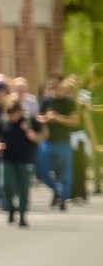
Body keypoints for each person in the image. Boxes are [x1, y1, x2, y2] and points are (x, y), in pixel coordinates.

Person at [0, 96, 43, 226]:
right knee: (5, 184)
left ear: (19, 111)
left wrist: (34, 136)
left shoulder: (28, 119)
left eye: (13, 113)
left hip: (25, 159)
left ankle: (22, 215)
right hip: (7, 158)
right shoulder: (4, 121)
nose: (11, 116)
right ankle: (11, 207)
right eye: (8, 113)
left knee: (23, 188)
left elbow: (44, 132)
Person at [38, 78, 80, 209]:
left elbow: (75, 121)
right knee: (41, 171)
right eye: (51, 86)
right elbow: (38, 118)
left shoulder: (69, 102)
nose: (54, 89)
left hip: (64, 141)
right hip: (48, 141)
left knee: (66, 172)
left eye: (56, 85)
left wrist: (58, 118)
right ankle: (57, 190)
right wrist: (46, 118)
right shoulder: (46, 101)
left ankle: (63, 199)